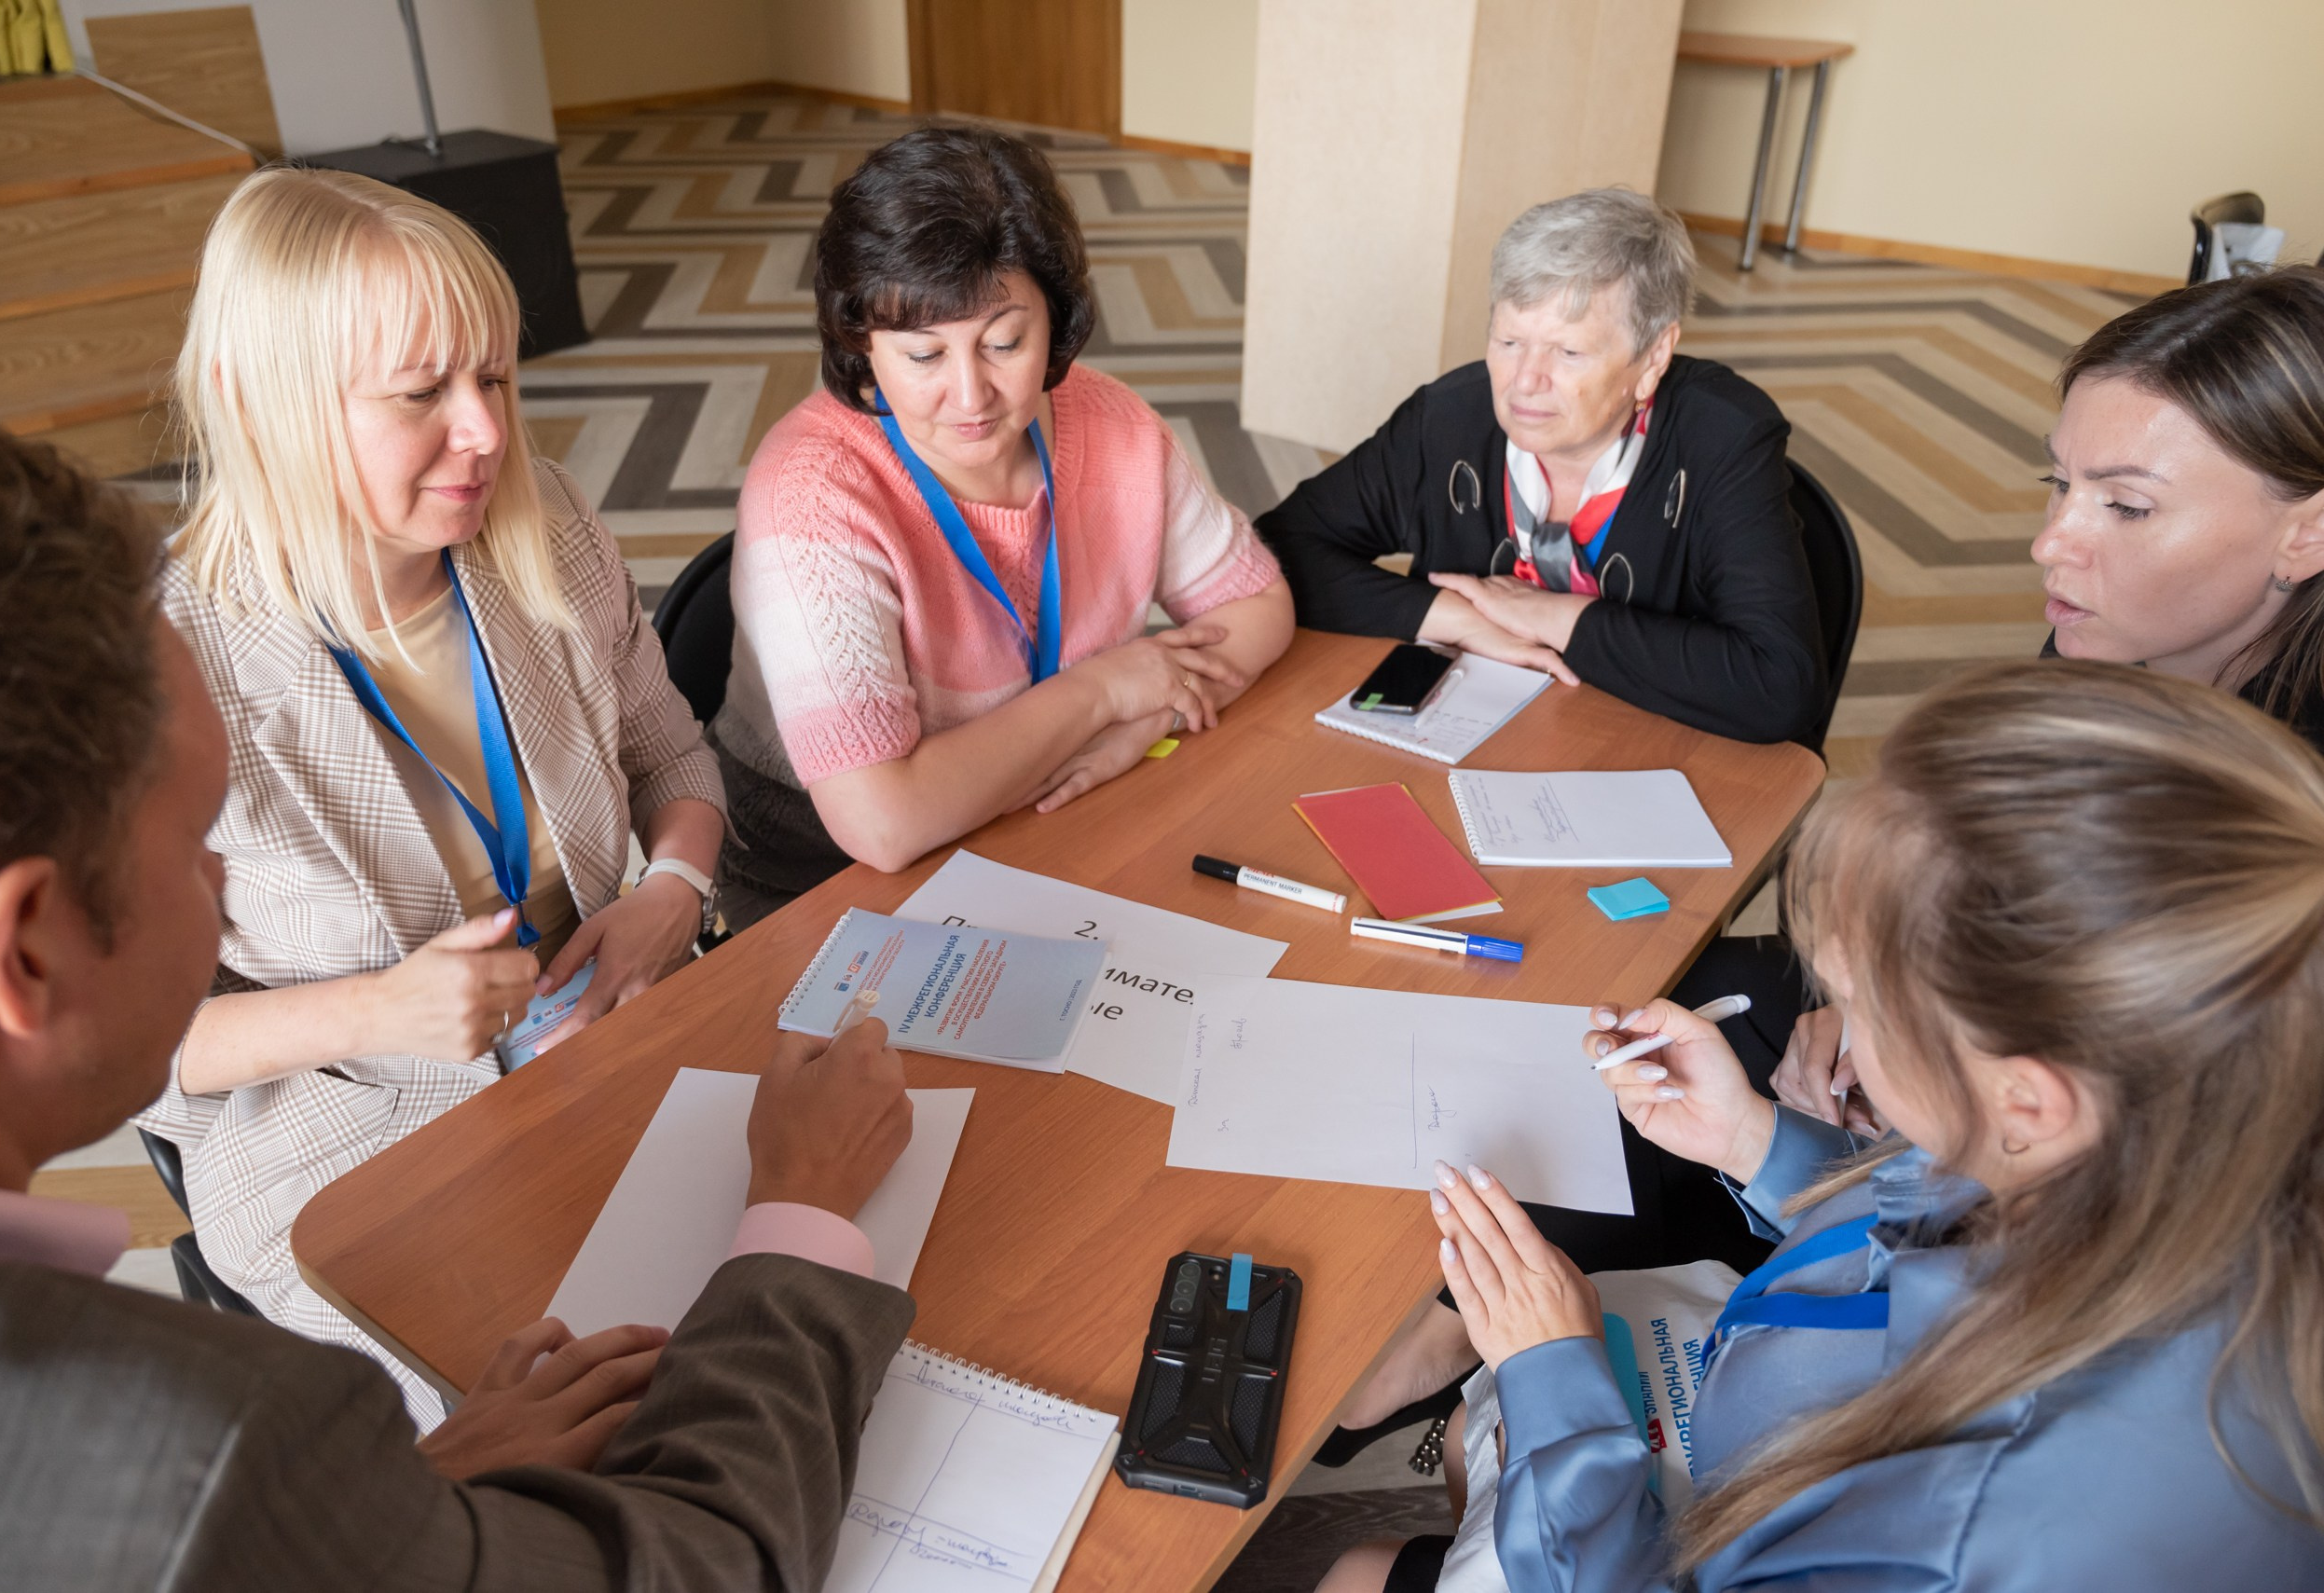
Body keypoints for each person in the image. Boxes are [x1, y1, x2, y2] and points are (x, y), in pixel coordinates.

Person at [0, 402, 920, 1592]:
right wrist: (801, 1212)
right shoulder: (215, 1454)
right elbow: (705, 1568)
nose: (220, 879)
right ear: (23, 953)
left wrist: (420, 1505)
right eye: (198, 841)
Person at [1328, 660, 2324, 1591]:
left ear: (2026, 1095)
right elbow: (1952, 1203)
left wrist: (1554, 1381)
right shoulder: (2179, 1125)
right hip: (1748, 1448)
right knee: (1468, 1450)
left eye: (1863, 1008)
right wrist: (1759, 1144)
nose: (1837, 1032)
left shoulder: (1983, 1527)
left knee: (1361, 1564)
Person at [134, 167, 729, 1426]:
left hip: (609, 1034)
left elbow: (672, 755)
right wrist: (376, 1009)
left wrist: (672, 886)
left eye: (497, 378)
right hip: (352, 1134)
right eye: (421, 396)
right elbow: (134, 1048)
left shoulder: (547, 523)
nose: (487, 435)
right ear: (262, 403)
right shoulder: (164, 670)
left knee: (806, 1278)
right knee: (600, 1425)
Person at [1688, 264, 2324, 1127]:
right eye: (2059, 484)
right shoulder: (2099, 646)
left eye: (2127, 506)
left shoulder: (2289, 833)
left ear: (2308, 531)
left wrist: (1917, 1037)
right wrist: (1887, 995)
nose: (2051, 541)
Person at [707, 124, 1293, 906]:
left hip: (1056, 805)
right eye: (923, 356)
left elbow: (1258, 604)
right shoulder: (813, 494)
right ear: (861, 345)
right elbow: (882, 822)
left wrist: (1137, 726)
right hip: (818, 866)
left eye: (1005, 342)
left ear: (1056, 319)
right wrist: (1104, 694)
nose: (972, 396)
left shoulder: (1109, 423)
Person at [1256, 188, 1826, 747]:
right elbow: (1277, 550)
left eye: (1568, 352)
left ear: (1653, 357)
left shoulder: (1722, 439)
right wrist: (1460, 619)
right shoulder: (1448, 420)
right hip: (1471, 745)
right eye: (1509, 340)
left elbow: (1779, 685)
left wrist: (1553, 618)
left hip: (1638, 760)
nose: (1524, 382)